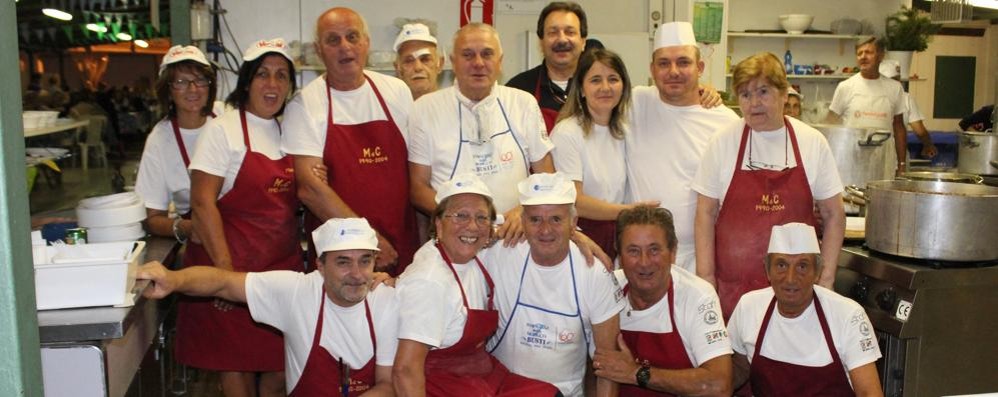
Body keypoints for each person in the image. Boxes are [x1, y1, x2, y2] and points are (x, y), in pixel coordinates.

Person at [138, 218, 399, 396]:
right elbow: (222, 283)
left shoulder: (385, 300)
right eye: (343, 262)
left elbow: (388, 385)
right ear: (320, 266)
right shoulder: (297, 292)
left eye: (365, 261)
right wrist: (173, 279)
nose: (356, 274)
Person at [181, 38, 300, 397]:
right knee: (235, 372)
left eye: (282, 76)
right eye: (263, 74)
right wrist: (226, 276)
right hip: (229, 263)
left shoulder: (290, 131)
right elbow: (202, 203)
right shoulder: (224, 129)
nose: (273, 84)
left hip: (278, 269)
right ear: (246, 82)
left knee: (280, 370)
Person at [693, 52, 846, 320]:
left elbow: (834, 214)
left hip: (796, 296)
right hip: (732, 295)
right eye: (744, 95)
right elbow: (705, 214)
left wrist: (827, 279)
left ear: (785, 94)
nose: (753, 104)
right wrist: (706, 281)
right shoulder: (722, 142)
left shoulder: (812, 142)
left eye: (763, 92)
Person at [393, 174, 559, 396]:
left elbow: (541, 228)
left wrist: (580, 239)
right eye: (461, 216)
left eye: (481, 218)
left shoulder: (472, 252)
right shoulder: (429, 281)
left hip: (480, 375)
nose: (472, 226)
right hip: (443, 384)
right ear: (439, 224)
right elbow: (405, 370)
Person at [283, 7, 417, 275]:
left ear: (366, 43)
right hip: (342, 255)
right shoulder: (306, 103)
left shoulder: (396, 92)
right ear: (319, 50)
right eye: (333, 40)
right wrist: (369, 242)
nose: (345, 47)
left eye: (352, 37)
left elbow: (415, 169)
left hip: (402, 242)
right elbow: (310, 189)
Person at [408, 23, 555, 245]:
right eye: (468, 55)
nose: (478, 63)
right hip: (456, 239)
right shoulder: (425, 109)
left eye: (487, 54)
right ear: (452, 61)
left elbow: (547, 176)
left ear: (500, 61)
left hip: (514, 236)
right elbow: (418, 189)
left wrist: (526, 209)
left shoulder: (523, 103)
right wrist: (467, 220)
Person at [480, 172, 624, 397]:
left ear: (573, 222)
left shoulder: (594, 274)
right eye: (535, 219)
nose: (545, 230)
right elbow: (456, 239)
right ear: (522, 220)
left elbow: (608, 365)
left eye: (556, 219)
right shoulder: (501, 252)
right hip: (499, 390)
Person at [626, 21, 740, 274]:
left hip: (701, 255)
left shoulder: (726, 122)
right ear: (652, 69)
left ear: (700, 67)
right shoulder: (635, 103)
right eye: (664, 63)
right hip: (640, 253)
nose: (673, 71)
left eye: (684, 62)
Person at [728, 223, 883, 396]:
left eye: (802, 266)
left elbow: (869, 392)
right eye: (781, 265)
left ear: (817, 272)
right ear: (767, 271)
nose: (791, 278)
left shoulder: (848, 315)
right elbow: (738, 367)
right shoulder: (749, 306)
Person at [592, 205, 732, 396]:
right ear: (619, 255)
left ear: (673, 252)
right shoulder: (605, 289)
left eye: (654, 250)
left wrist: (636, 373)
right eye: (633, 251)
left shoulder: (697, 296)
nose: (644, 262)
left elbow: (719, 385)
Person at [550, 48, 658, 259]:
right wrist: (628, 211)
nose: (605, 88)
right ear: (581, 88)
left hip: (619, 235)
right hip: (582, 238)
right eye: (595, 80)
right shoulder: (568, 132)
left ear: (624, 86)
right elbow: (574, 200)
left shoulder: (624, 130)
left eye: (613, 79)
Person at [135, 45, 221, 243]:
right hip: (202, 239)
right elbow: (152, 218)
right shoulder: (159, 140)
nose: (193, 89)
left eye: (200, 80)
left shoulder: (228, 117)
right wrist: (187, 227)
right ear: (168, 90)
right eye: (181, 82)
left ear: (210, 85)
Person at [827, 37, 908, 176]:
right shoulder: (845, 87)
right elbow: (830, 125)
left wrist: (901, 164)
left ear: (881, 55)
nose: (863, 57)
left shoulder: (894, 88)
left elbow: (899, 127)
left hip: (883, 160)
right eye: (859, 53)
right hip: (851, 161)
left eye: (868, 52)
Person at [506, 1, 589, 132]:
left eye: (570, 32)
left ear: (583, 42)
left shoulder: (599, 88)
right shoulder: (517, 90)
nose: (562, 39)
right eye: (553, 32)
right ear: (541, 42)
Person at [880, 60, 937, 159]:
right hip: (898, 155)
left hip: (876, 153)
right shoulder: (906, 98)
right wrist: (928, 145)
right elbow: (920, 131)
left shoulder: (870, 97)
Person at [393, 23, 446, 101]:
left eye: (425, 59)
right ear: (398, 68)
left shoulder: (453, 108)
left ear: (440, 64)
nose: (418, 67)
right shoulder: (390, 110)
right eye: (409, 61)